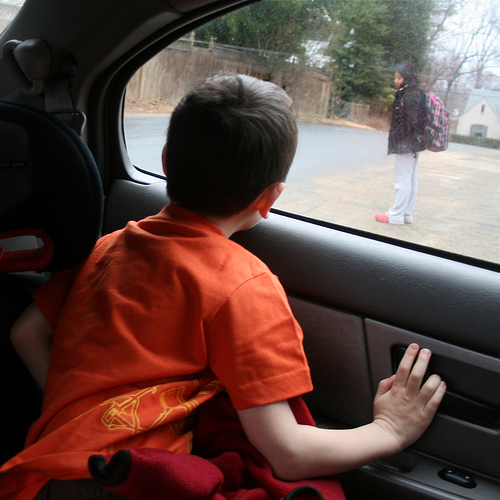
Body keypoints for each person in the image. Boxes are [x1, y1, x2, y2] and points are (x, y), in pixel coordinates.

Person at [1, 74, 446, 500]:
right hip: (132, 482)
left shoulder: (108, 248)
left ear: (164, 163)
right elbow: (288, 453)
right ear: (270, 198)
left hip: (42, 474)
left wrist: (72, 412)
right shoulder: (244, 284)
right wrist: (389, 431)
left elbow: (26, 332)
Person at [376, 62, 427, 225]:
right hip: (413, 144)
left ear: (407, 78)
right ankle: (406, 213)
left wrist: (403, 141)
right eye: (396, 77)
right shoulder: (417, 93)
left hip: (406, 143)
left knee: (402, 178)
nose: (396, 81)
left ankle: (396, 215)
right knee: (411, 178)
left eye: (399, 77)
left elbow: (411, 121)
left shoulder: (408, 95)